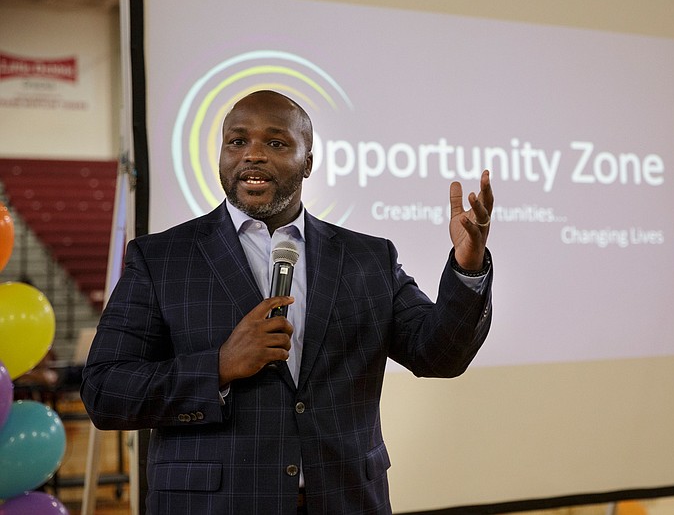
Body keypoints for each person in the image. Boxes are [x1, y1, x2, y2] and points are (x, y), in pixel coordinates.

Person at [81, 90, 494, 514]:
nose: (253, 155)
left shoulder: (369, 258)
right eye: (237, 142)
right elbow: (105, 389)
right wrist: (218, 366)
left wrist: (468, 266)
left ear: (308, 162)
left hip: (345, 500)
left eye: (276, 143)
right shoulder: (162, 258)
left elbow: (439, 355)